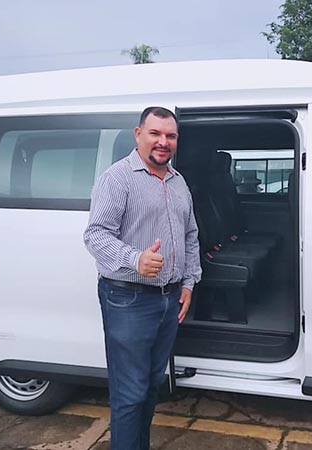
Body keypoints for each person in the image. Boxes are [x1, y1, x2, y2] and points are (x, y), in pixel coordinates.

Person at [83, 106, 202, 450]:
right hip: (128, 299)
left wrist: (188, 283)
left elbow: (190, 235)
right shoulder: (118, 178)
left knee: (150, 387)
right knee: (130, 393)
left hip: (169, 299)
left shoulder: (178, 182)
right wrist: (136, 259)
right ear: (138, 135)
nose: (163, 142)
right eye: (155, 134)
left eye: (170, 136)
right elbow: (95, 235)